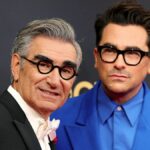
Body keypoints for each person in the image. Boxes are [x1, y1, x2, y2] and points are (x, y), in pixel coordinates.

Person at [51, 1, 150, 150]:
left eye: (132, 53)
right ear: (96, 57)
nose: (119, 63)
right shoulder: (56, 117)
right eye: (110, 50)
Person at [0, 18, 82, 150]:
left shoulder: (43, 129)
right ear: (16, 66)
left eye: (66, 71)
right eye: (43, 65)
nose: (55, 81)